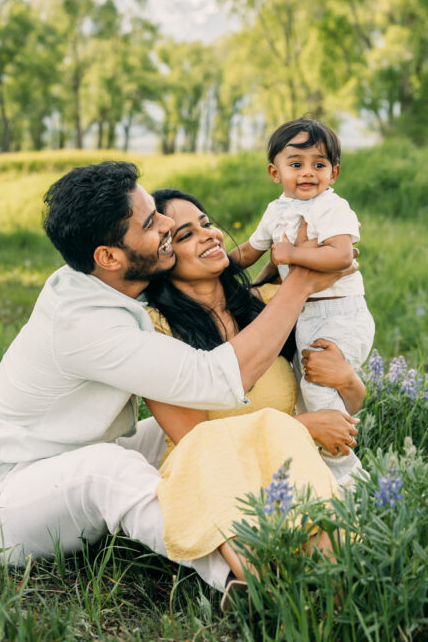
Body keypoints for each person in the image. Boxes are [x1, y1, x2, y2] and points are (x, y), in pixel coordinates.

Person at [0, 160, 351, 593]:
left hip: (82, 452)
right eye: (150, 222)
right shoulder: (86, 324)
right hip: (6, 503)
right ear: (108, 257)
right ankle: (248, 575)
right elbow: (221, 376)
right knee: (112, 468)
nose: (165, 222)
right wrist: (299, 287)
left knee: (201, 436)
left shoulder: (110, 282)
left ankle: (312, 529)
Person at [142, 188, 365, 582]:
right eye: (186, 234)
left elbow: (347, 401)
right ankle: (261, 588)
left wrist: (348, 380)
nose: (209, 235)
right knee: (215, 456)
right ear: (163, 256)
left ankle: (330, 587)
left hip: (284, 454)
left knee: (319, 523)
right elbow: (193, 435)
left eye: (207, 223)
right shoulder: (156, 327)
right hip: (207, 463)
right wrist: (300, 426)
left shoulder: (265, 303)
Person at [231, 118, 374, 482]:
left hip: (339, 314)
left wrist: (291, 255)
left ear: (334, 173)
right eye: (296, 164)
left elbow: (342, 256)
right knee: (304, 390)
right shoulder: (275, 211)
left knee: (317, 385)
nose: (308, 173)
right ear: (275, 172)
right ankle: (317, 467)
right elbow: (249, 251)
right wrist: (216, 262)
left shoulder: (331, 208)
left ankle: (345, 474)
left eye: (319, 164)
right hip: (305, 313)